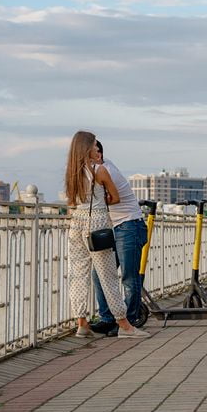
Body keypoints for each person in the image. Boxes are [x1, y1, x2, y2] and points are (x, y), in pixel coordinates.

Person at [64, 131, 149, 339]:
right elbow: (115, 197)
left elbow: (71, 203)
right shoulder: (99, 170)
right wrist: (101, 202)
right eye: (94, 146)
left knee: (77, 275)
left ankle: (82, 323)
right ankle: (125, 325)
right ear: (87, 149)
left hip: (76, 224)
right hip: (98, 222)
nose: (97, 150)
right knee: (108, 275)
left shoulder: (71, 173)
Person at [89, 141, 148, 336]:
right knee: (99, 274)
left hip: (129, 225)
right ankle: (108, 318)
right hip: (114, 227)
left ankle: (129, 322)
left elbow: (111, 198)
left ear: (97, 154)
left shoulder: (104, 169)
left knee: (129, 276)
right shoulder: (94, 170)